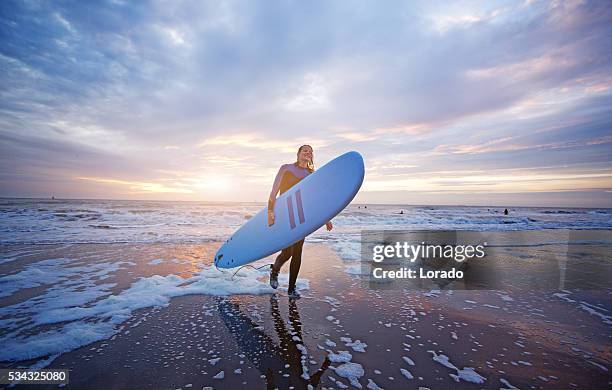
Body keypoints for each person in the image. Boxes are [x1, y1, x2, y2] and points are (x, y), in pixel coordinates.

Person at [267, 145, 333, 299]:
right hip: (285, 215)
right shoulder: (286, 168)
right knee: (287, 252)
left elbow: (317, 199)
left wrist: (327, 218)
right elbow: (274, 190)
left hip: (301, 217)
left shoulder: (311, 174)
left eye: (310, 151)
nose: (308, 153)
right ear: (298, 154)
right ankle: (274, 270)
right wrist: (270, 211)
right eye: (305, 150)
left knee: (297, 252)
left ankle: (291, 289)